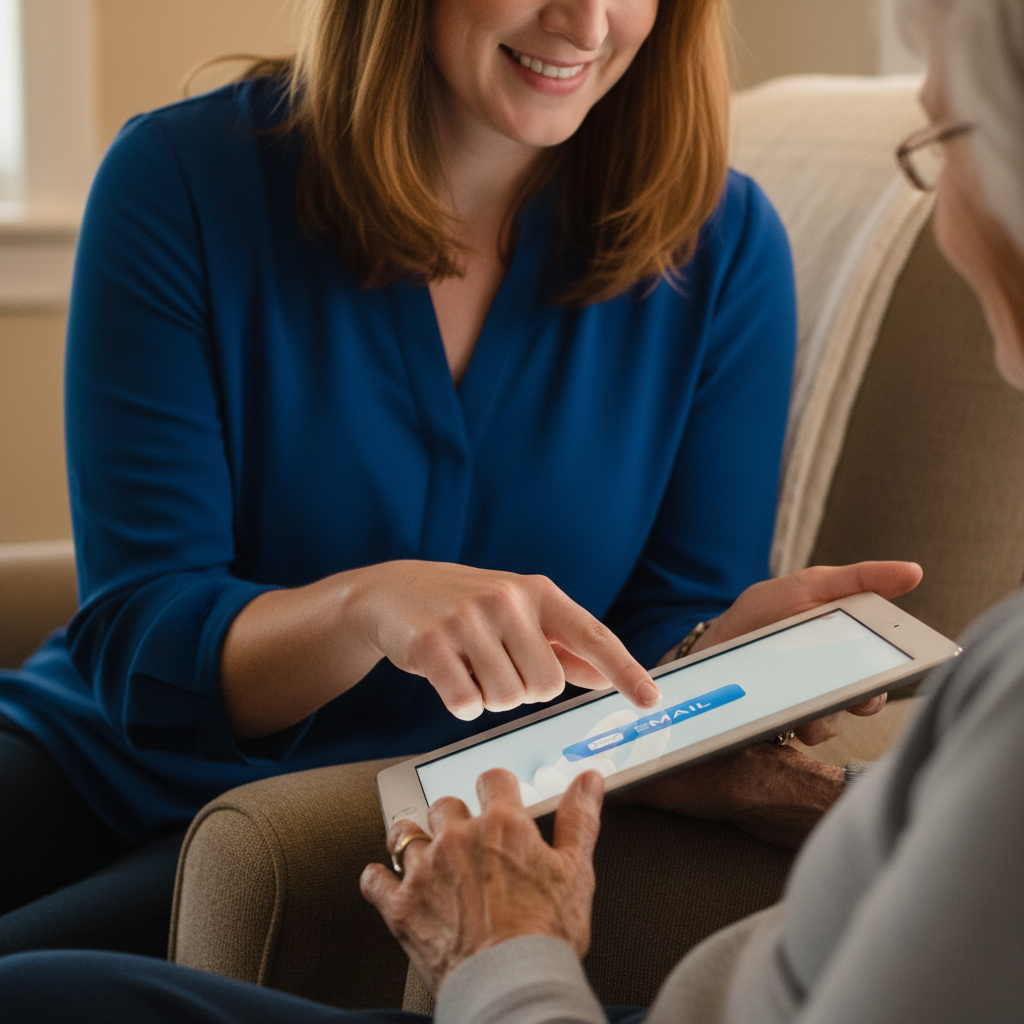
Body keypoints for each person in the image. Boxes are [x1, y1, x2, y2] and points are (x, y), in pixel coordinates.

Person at [1, 0, 1021, 1018]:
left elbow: (658, 630)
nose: (584, 20)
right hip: (94, 751)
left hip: (369, 811)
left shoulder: (719, 245)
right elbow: (139, 629)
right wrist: (364, 609)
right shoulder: (180, 178)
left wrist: (715, 657)